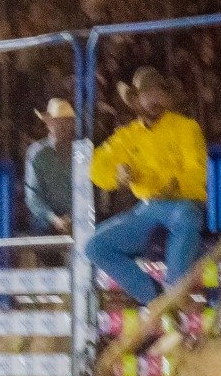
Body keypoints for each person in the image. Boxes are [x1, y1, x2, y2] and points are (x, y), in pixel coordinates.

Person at [87, 67, 209, 306]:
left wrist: (173, 185)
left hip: (182, 202)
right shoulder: (127, 136)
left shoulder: (186, 127)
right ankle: (156, 299)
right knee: (94, 246)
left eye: (160, 93)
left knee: (186, 217)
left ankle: (173, 292)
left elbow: (197, 172)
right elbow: (96, 168)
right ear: (136, 100)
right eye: (148, 93)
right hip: (148, 209)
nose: (155, 99)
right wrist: (118, 174)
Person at [24, 98, 75, 235]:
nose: (63, 127)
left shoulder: (82, 152)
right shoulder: (37, 153)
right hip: (45, 223)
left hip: (77, 221)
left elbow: (89, 191)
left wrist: (72, 217)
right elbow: (32, 196)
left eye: (67, 122)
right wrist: (54, 219)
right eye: (58, 122)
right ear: (48, 124)